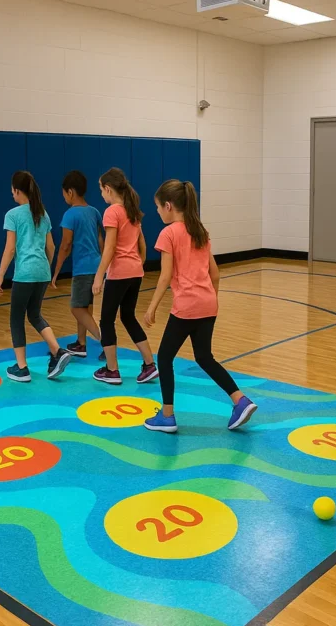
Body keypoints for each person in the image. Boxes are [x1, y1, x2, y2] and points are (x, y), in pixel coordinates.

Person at [143, 179, 256, 433]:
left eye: (159, 207)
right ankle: (240, 400)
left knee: (164, 357)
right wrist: (209, 299)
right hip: (208, 304)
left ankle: (168, 415)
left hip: (186, 307)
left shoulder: (168, 233)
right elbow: (214, 274)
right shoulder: (200, 232)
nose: (158, 212)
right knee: (204, 357)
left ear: (169, 206)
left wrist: (151, 307)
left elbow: (164, 275)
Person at [0, 171, 72, 382]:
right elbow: (51, 247)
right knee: (34, 314)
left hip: (25, 273)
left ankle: (22, 368)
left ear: (17, 191)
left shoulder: (13, 215)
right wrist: (44, 267)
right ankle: (57, 351)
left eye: (12, 190)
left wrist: (0, 276)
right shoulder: (42, 213)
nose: (11, 194)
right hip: (42, 272)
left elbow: (10, 250)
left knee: (16, 318)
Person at [91, 168, 157, 385]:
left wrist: (99, 276)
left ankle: (112, 370)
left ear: (108, 189)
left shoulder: (112, 212)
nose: (101, 194)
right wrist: (139, 264)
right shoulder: (133, 211)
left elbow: (109, 248)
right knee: (128, 316)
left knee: (107, 320)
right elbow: (142, 244)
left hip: (119, 273)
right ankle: (149, 365)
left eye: (101, 189)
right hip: (135, 272)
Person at [51, 170, 103, 357]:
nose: (64, 196)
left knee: (75, 307)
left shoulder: (70, 215)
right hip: (97, 267)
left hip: (83, 269)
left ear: (70, 192)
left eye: (64, 193)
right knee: (85, 307)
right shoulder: (95, 212)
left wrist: (55, 273)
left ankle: (105, 341)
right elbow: (100, 241)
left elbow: (65, 246)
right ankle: (81, 343)